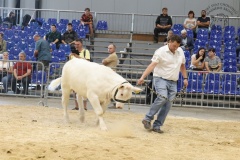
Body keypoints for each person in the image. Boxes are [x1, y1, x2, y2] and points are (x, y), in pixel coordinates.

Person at [137, 35, 188, 133]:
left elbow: (182, 66)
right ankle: (147, 118)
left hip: (173, 81)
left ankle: (157, 125)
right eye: (174, 46)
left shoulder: (180, 51)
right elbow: (152, 65)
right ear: (169, 42)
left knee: (168, 104)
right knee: (163, 97)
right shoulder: (160, 51)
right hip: (160, 79)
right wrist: (142, 77)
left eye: (177, 46)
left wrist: (185, 78)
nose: (175, 48)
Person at [69, 39, 91, 110]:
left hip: (84, 73)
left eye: (78, 44)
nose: (76, 46)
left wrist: (77, 57)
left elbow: (88, 61)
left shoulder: (85, 51)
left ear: (81, 44)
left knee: (84, 90)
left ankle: (84, 107)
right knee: (74, 91)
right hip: (75, 73)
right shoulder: (72, 53)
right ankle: (77, 106)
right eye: (75, 44)